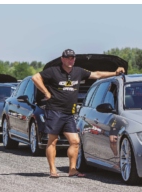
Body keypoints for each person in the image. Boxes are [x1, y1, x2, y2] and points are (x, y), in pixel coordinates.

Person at [31, 49, 125, 177]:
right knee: (53, 141)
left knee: (75, 141)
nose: (71, 60)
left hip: (69, 113)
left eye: (72, 58)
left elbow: (96, 74)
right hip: (55, 111)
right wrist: (46, 93)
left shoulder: (78, 71)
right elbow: (35, 77)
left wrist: (115, 73)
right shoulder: (53, 71)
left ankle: (72, 169)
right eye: (68, 58)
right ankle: (53, 170)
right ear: (62, 59)